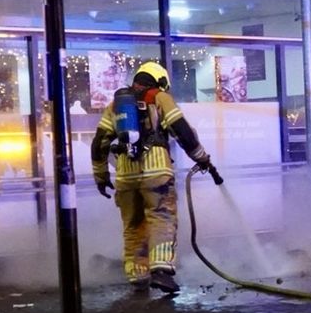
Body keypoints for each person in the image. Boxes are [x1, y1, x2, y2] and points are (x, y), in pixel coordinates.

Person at [90, 62, 220, 294]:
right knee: (162, 218)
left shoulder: (115, 106)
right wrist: (202, 158)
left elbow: (99, 143)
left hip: (125, 176)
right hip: (156, 172)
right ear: (159, 81)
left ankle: (138, 277)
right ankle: (161, 272)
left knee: (133, 225)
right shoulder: (159, 98)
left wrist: (101, 175)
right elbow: (183, 131)